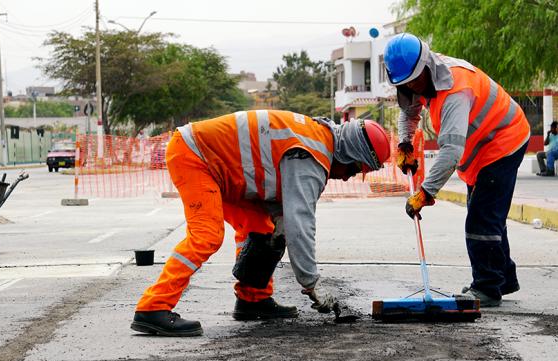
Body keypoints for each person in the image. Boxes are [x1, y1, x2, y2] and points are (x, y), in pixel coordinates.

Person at [131, 110, 391, 336]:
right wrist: (312, 284)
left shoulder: (317, 137)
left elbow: (279, 195)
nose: (348, 178)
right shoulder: (312, 154)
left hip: (220, 168)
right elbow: (300, 224)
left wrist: (280, 219)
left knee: (264, 228)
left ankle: (252, 300)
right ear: (349, 154)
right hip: (196, 157)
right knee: (206, 235)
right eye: (355, 170)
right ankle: (153, 307)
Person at [384, 33, 530, 307]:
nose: (412, 86)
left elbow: (451, 151)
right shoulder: (420, 80)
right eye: (406, 83)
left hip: (504, 140)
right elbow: (410, 112)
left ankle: (487, 287)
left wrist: (425, 192)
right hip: (481, 150)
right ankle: (504, 279)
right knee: (488, 213)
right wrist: (405, 143)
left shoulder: (455, 88)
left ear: (426, 65)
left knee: (481, 218)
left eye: (415, 79)